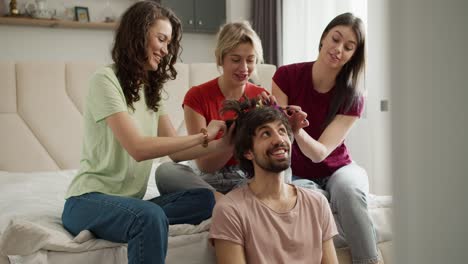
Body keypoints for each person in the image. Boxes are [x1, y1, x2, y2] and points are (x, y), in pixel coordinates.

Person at [61, 2, 229, 263]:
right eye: (161, 39)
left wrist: (226, 142)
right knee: (149, 216)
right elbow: (138, 148)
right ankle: (138, 218)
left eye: (169, 43)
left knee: (204, 200)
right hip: (87, 201)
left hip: (129, 204)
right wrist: (203, 135)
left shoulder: (150, 91)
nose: (165, 50)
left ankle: (132, 218)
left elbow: (175, 152)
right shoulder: (105, 81)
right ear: (138, 34)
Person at [272, 12, 381, 264]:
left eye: (348, 47)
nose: (338, 49)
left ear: (353, 56)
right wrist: (289, 128)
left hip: (338, 168)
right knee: (313, 200)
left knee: (350, 192)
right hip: (296, 172)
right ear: (323, 38)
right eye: (335, 39)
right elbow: (278, 134)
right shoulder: (286, 76)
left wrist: (297, 129)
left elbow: (319, 152)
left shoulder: (353, 97)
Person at [156, 21, 282, 198]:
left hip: (244, 177)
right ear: (220, 58)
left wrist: (277, 117)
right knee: (166, 171)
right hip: (206, 178)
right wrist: (232, 140)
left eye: (250, 60)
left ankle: (220, 202)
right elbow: (204, 165)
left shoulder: (261, 97)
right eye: (236, 60)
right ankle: (222, 201)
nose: (244, 68)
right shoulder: (197, 96)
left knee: (281, 170)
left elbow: (264, 158)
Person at [209, 98, 339, 264]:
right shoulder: (230, 210)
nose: (279, 140)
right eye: (266, 133)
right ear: (248, 151)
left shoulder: (317, 203)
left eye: (282, 131)